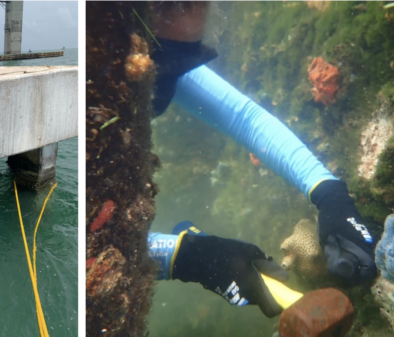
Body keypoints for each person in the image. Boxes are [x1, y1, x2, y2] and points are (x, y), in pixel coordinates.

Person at [143, 2, 376, 318]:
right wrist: (184, 256)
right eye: (174, 6)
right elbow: (93, 251)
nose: (190, 18)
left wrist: (329, 192)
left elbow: (243, 117)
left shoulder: (162, 50)